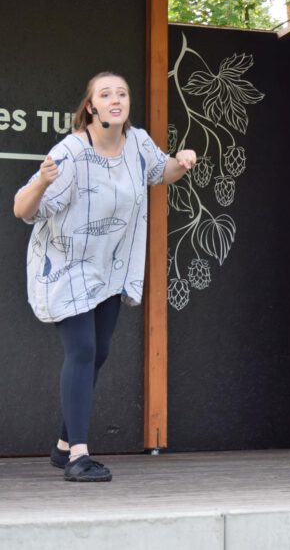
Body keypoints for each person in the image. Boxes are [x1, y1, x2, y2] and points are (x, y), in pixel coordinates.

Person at [13, 72, 196, 482]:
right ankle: (79, 456)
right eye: (106, 94)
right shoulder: (72, 152)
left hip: (111, 266)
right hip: (67, 265)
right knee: (81, 350)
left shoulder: (137, 143)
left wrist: (180, 162)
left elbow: (159, 172)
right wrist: (42, 180)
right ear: (91, 106)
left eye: (123, 94)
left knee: (98, 353)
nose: (117, 100)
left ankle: (63, 446)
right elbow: (23, 210)